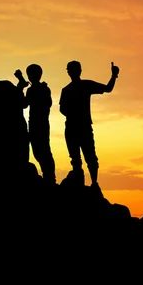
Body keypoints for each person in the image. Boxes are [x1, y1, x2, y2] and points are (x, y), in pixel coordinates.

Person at [59, 61, 119, 191]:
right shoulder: (70, 89)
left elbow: (108, 89)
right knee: (79, 158)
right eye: (70, 70)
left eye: (72, 70)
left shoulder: (82, 86)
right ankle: (86, 183)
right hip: (75, 127)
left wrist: (114, 76)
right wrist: (113, 76)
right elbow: (62, 109)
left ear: (78, 71)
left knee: (87, 157)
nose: (71, 72)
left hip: (80, 127)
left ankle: (93, 183)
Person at [15, 64, 56, 184]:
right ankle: (49, 176)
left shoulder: (42, 89)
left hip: (40, 124)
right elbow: (24, 104)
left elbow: (45, 104)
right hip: (34, 123)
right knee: (38, 151)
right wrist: (21, 87)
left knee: (43, 151)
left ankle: (50, 178)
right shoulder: (34, 89)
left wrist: (22, 87)